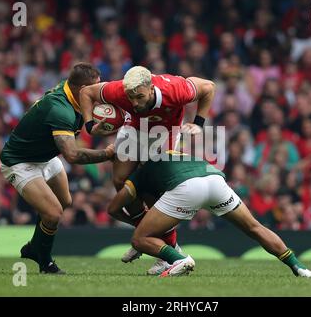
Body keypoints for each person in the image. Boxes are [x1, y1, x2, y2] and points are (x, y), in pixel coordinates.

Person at [79, 66, 215, 274]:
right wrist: (89, 126)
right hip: (133, 131)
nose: (134, 102)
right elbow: (86, 92)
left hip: (165, 136)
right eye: (131, 97)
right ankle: (151, 242)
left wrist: (198, 124)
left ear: (151, 88)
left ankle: (158, 249)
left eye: (139, 97)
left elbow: (208, 87)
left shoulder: (175, 89)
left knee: (153, 194)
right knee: (121, 183)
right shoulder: (120, 90)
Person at [108, 150, 311, 278]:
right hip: (215, 181)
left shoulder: (141, 170)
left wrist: (138, 227)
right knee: (254, 227)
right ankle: (299, 267)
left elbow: (113, 209)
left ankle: (178, 259)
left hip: (188, 188)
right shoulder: (179, 153)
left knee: (140, 239)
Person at [0, 63, 114, 274]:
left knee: (64, 202)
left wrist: (94, 128)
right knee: (53, 214)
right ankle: (45, 262)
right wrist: (108, 154)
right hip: (20, 161)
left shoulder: (72, 93)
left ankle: (34, 246)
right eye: (96, 87)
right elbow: (72, 155)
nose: (100, 92)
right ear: (82, 89)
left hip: (45, 156)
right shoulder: (60, 109)